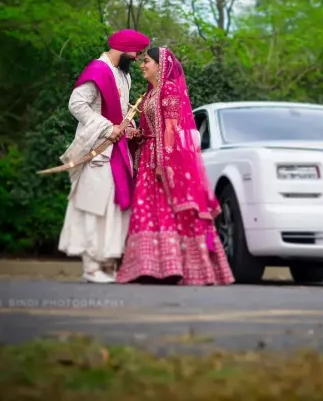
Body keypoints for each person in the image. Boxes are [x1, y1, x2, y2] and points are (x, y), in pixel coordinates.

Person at [116, 47, 234, 286]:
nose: (142, 65)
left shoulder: (168, 89)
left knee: (167, 212)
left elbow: (171, 128)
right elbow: (152, 129)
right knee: (149, 213)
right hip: (148, 159)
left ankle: (174, 268)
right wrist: (136, 135)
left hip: (162, 161)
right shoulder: (150, 94)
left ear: (161, 65)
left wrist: (164, 162)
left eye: (147, 61)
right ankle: (149, 268)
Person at [57, 29, 150, 283]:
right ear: (124, 47)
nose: (138, 57)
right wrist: (107, 128)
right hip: (97, 150)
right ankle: (91, 266)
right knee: (92, 206)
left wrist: (128, 130)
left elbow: (120, 114)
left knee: (114, 205)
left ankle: (107, 262)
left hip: (117, 150)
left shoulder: (123, 75)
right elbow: (76, 105)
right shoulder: (98, 70)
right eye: (136, 52)